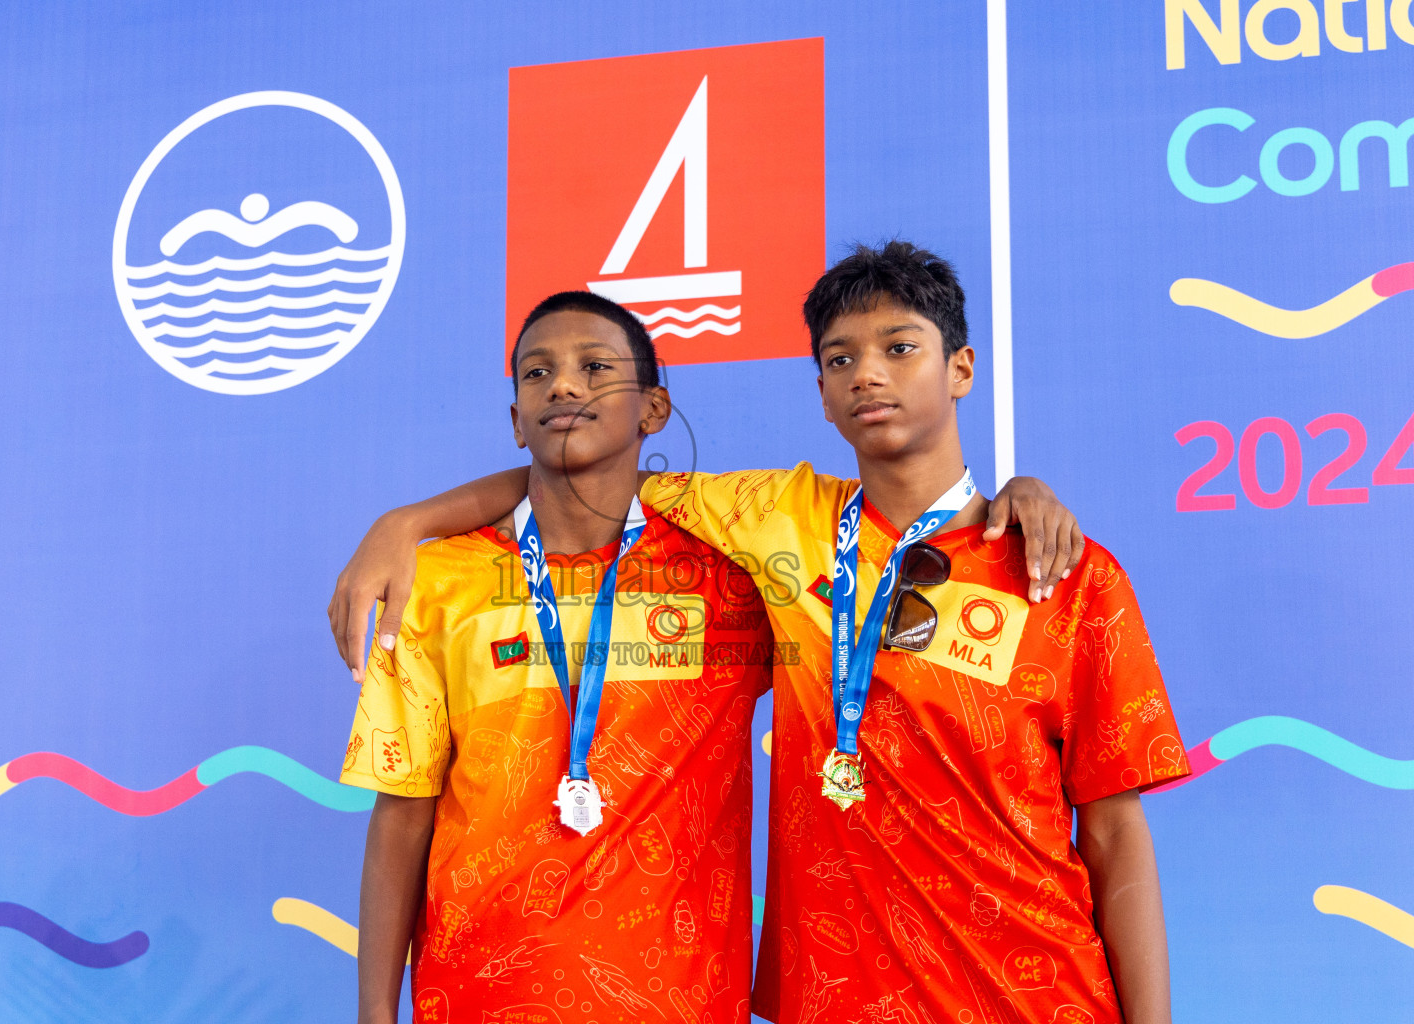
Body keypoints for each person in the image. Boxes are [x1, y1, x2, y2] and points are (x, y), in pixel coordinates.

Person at [331, 243, 1188, 1023]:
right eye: (841, 359)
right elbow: (581, 469)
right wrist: (403, 524)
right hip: (834, 998)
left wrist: (1027, 486)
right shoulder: (775, 525)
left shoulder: (1067, 573)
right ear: (819, 390)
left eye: (900, 348)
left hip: (1035, 994)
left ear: (961, 368)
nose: (868, 376)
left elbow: (1116, 833)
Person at [342, 291, 781, 1024]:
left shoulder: (734, 578)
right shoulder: (434, 584)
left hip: (682, 999)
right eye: (537, 374)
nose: (565, 386)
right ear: (517, 420)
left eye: (595, 367)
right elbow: (401, 815)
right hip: (478, 994)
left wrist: (1020, 500)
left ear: (654, 411)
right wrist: (373, 1015)